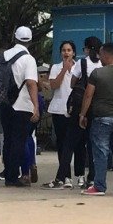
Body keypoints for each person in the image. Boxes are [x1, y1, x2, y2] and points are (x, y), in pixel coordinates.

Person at [78, 43, 113, 196]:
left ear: (107, 55)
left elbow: (88, 95)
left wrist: (82, 114)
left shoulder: (97, 73)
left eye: (101, 55)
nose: (99, 58)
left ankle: (99, 186)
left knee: (101, 152)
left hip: (102, 118)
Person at [0, 26, 39, 187]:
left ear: (14, 38)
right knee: (19, 141)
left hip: (4, 104)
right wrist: (36, 107)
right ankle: (13, 176)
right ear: (30, 41)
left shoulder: (2, 56)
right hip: (22, 105)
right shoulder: (28, 59)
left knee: (8, 140)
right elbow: (32, 83)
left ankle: (8, 174)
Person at [44, 40, 79, 189]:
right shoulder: (56, 68)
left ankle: (65, 176)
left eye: (69, 50)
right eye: (64, 50)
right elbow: (53, 85)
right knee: (61, 143)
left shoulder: (78, 67)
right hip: (58, 108)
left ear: (74, 52)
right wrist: (64, 70)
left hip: (73, 109)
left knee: (70, 144)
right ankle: (66, 176)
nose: (66, 53)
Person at [69, 36, 103, 189]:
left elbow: (72, 83)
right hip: (98, 107)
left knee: (78, 143)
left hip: (82, 107)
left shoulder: (81, 63)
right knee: (94, 144)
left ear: (87, 49)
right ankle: (93, 177)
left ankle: (80, 175)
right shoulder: (104, 64)